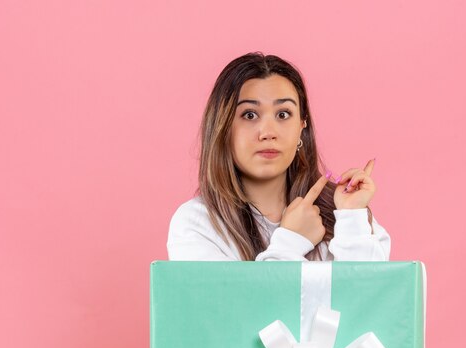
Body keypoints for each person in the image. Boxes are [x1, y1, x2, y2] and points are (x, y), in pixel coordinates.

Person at [167, 52, 391, 261]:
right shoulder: (197, 224)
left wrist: (351, 220)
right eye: (249, 115)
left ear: (302, 126)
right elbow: (227, 305)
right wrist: (291, 241)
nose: (268, 133)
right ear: (223, 126)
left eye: (283, 114)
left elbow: (372, 297)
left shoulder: (345, 214)